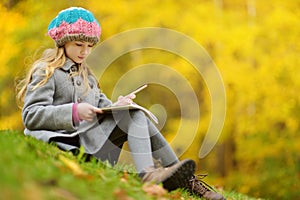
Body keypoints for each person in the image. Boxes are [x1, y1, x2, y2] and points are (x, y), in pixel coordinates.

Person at [16, 7, 225, 200]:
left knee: (135, 113)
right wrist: (74, 112)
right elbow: (31, 116)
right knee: (134, 115)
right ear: (63, 42)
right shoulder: (47, 71)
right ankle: (150, 174)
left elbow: (101, 106)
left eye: (89, 46)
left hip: (91, 145)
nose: (85, 52)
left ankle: (187, 181)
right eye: (79, 45)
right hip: (65, 143)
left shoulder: (87, 76)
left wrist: (119, 105)